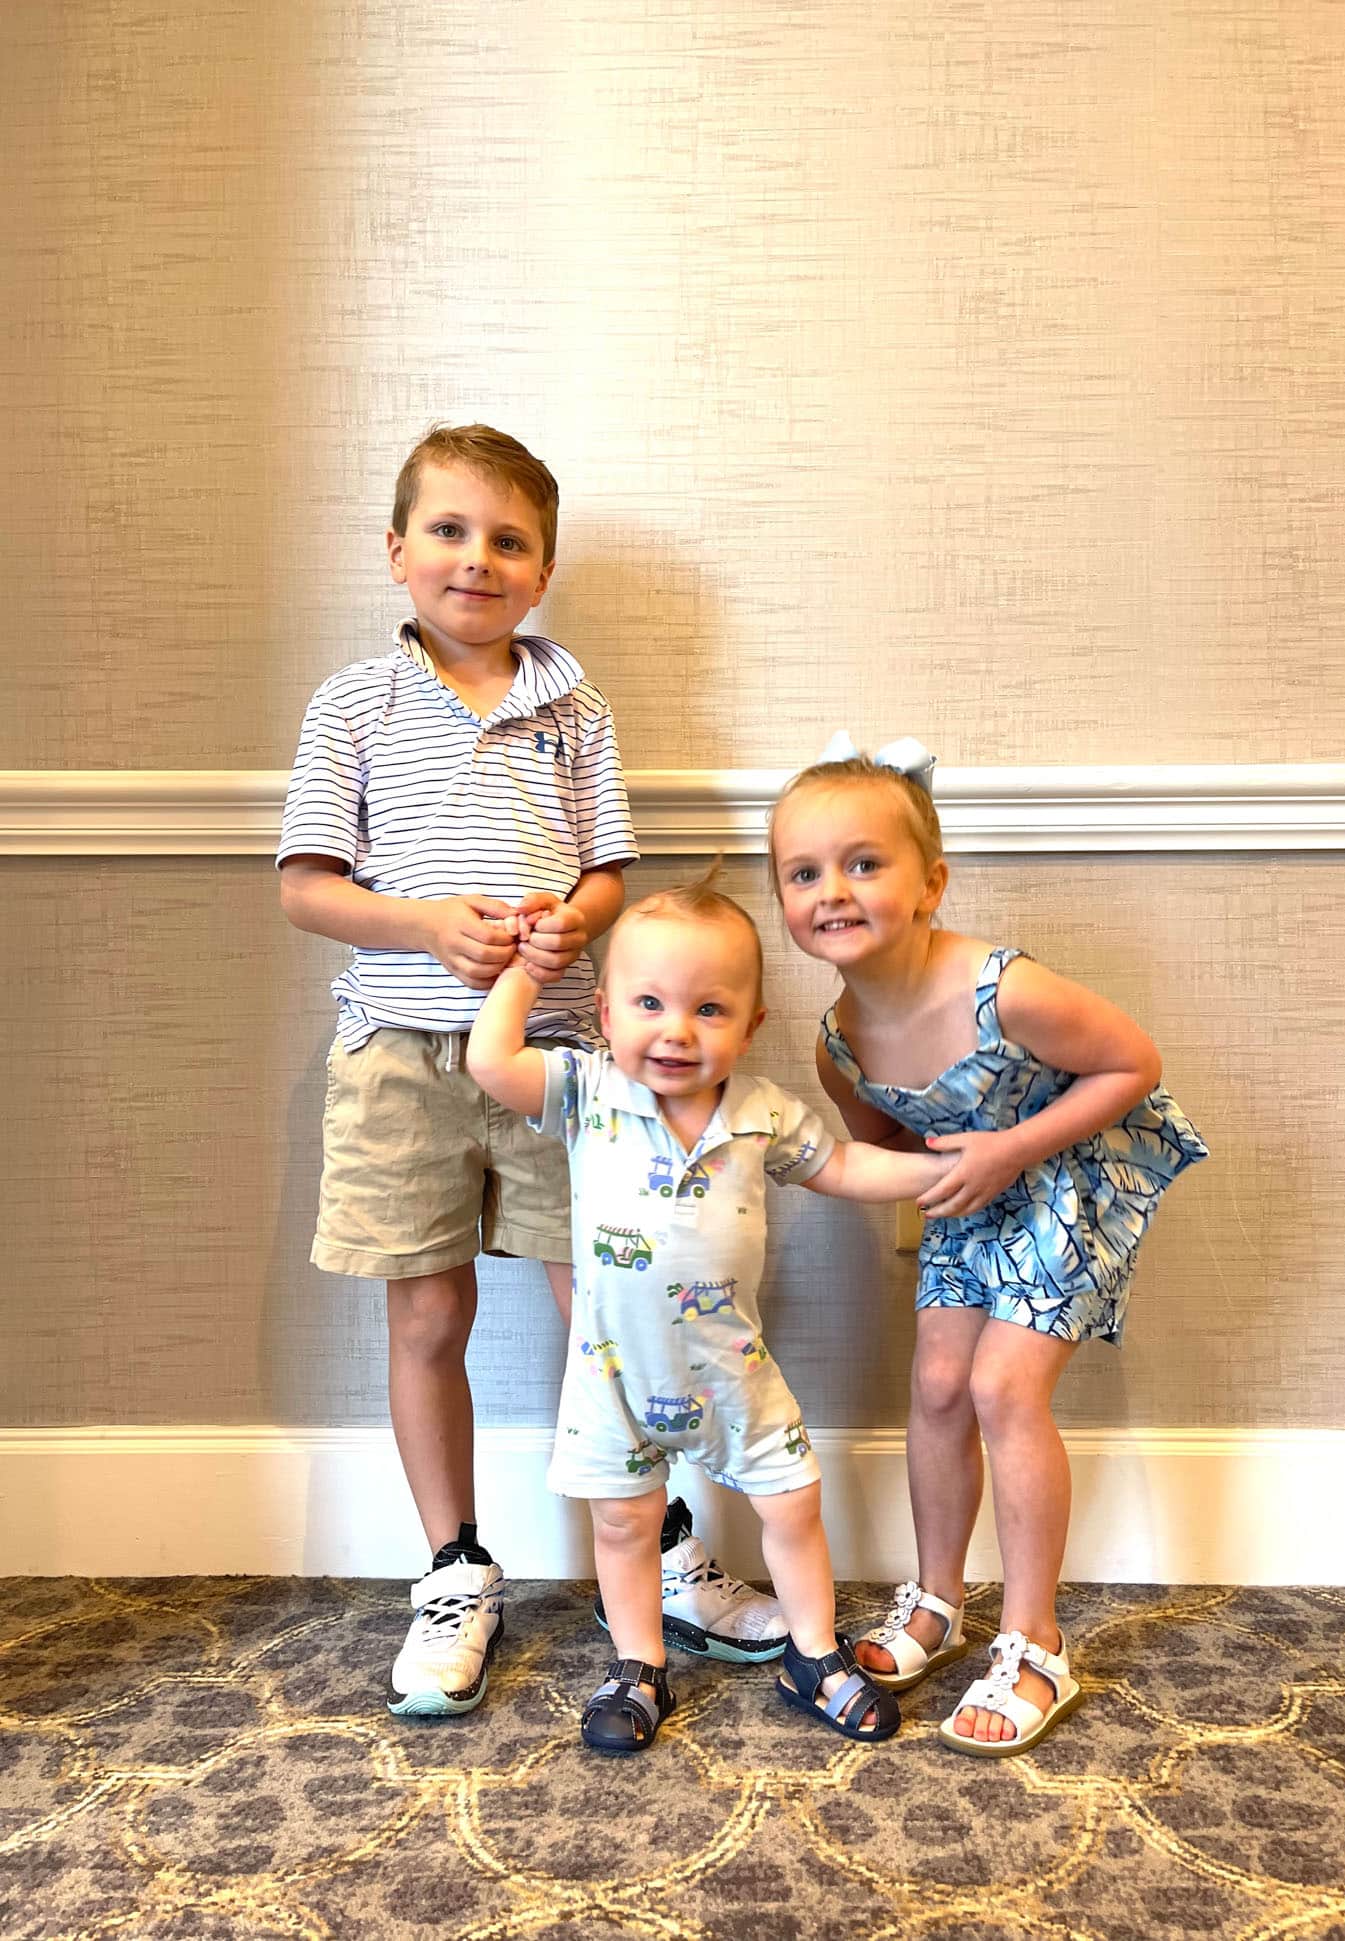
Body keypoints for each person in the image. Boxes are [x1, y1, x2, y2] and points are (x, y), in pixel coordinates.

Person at [277, 423, 771, 1718]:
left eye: (508, 541)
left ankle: (656, 1544)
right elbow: (307, 889)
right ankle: (453, 1568)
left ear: (541, 571)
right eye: (448, 531)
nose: (476, 559)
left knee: (610, 1304)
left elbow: (607, 871)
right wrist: (426, 925)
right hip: (399, 1057)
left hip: (559, 1062)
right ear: (396, 550)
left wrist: (576, 919)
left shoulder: (576, 706)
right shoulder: (352, 704)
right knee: (427, 1316)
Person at [768, 742, 1208, 1756]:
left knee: (1003, 1388)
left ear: (930, 883)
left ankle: (1035, 1640)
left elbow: (1133, 1064)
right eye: (803, 872)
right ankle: (937, 1600)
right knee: (935, 1384)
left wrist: (1010, 1148)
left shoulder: (1004, 989)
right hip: (972, 1206)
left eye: (864, 863)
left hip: (1068, 1180)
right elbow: (884, 1143)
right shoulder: (838, 1041)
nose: (833, 890)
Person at [466, 876, 958, 1753]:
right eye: (648, 1003)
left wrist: (942, 1169)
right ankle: (637, 1663)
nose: (676, 1030)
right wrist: (529, 972)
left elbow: (845, 1167)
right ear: (606, 1013)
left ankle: (813, 1652)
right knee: (625, 1521)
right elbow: (491, 1061)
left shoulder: (760, 1111)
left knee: (794, 1500)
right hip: (615, 1373)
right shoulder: (586, 1090)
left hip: (734, 1367)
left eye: (708, 1008)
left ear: (750, 1024)